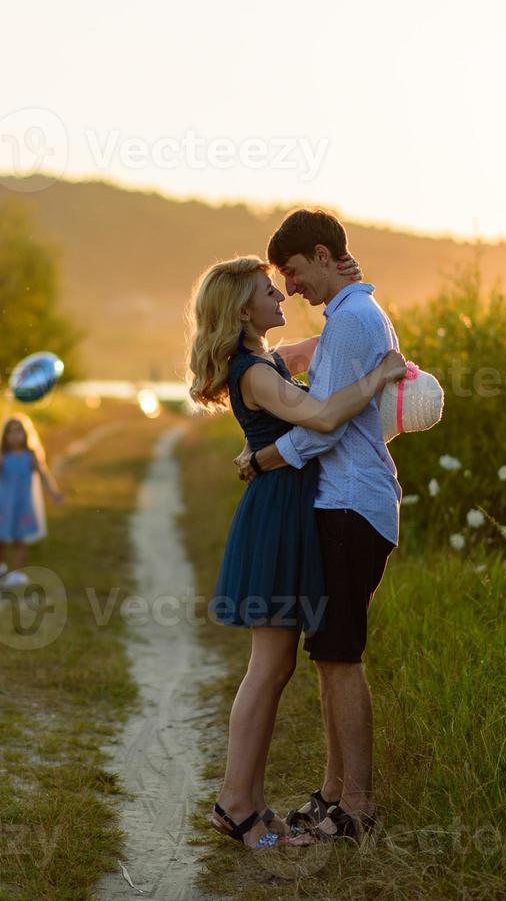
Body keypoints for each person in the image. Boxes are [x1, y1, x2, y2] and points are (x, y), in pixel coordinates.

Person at [186, 253, 406, 850]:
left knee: (276, 666)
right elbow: (328, 416)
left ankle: (250, 804)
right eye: (267, 291)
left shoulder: (263, 361)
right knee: (268, 667)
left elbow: (315, 349)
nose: (281, 297)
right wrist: (381, 373)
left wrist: (345, 305)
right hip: (278, 516)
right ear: (241, 309)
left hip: (286, 510)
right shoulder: (254, 373)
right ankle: (236, 805)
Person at [0, 413, 63, 588]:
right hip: (3, 504)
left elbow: (43, 475)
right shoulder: (2, 455)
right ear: (5, 436)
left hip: (22, 504)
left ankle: (17, 573)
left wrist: (54, 493)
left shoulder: (30, 455)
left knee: (20, 539)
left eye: (19, 431)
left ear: (26, 434)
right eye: (11, 432)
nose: (15, 436)